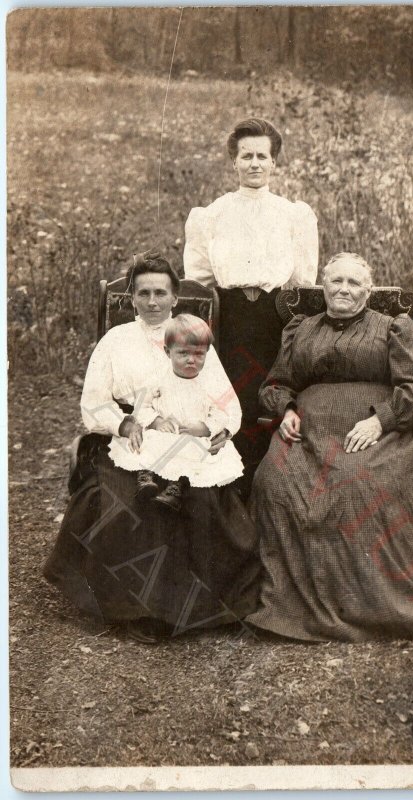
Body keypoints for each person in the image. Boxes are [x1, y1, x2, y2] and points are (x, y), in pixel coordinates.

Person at [44, 251, 260, 644]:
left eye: (161, 292)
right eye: (143, 293)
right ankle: (138, 608)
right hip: (131, 434)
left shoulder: (191, 338)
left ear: (175, 296)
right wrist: (124, 422)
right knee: (128, 499)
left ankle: (204, 607)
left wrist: (215, 429)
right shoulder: (116, 340)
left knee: (202, 499)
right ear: (131, 298)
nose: (153, 301)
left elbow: (225, 401)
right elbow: (94, 402)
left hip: (187, 438)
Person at [246, 252, 413, 642]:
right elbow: (276, 383)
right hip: (309, 431)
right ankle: (291, 602)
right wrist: (288, 409)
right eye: (336, 281)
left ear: (368, 290)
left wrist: (381, 419)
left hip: (377, 430)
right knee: (274, 483)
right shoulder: (301, 328)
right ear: (324, 285)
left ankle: (370, 603)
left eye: (354, 283)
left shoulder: (393, 327)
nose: (344, 289)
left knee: (358, 484)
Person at [184, 117, 319, 496]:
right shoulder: (212, 215)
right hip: (230, 319)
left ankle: (273, 490)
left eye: (263, 156)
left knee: (273, 394)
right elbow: (198, 281)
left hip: (276, 318)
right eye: (247, 156)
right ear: (234, 162)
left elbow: (303, 282)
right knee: (232, 398)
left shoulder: (293, 215)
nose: (255, 163)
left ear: (274, 162)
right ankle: (231, 491)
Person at [108, 314, 244, 510]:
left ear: (208, 352)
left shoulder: (209, 383)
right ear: (167, 352)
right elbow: (142, 406)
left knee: (195, 452)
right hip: (164, 432)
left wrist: (205, 428)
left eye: (199, 354)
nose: (191, 360)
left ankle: (175, 489)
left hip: (190, 436)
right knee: (149, 441)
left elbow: (221, 413)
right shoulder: (158, 379)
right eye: (183, 353)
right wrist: (156, 421)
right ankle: (145, 478)